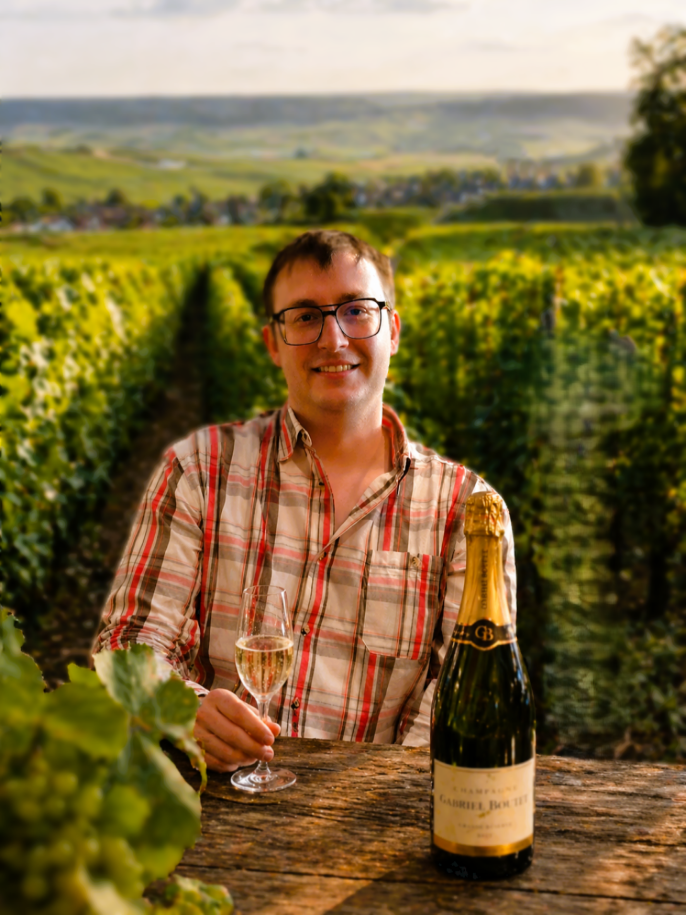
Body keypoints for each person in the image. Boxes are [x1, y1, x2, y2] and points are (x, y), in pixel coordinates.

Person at [94, 229, 517, 773]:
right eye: (305, 317)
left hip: (374, 811)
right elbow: (128, 642)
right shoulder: (198, 469)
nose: (333, 339)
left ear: (392, 331)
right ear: (273, 344)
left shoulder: (468, 511)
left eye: (356, 311)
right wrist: (180, 708)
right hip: (213, 797)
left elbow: (460, 706)